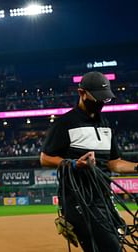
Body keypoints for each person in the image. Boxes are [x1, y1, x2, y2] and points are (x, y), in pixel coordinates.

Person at [40, 71, 138, 251]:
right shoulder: (65, 123)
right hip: (78, 200)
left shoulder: (105, 124)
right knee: (110, 248)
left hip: (103, 199)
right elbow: (45, 158)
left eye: (105, 99)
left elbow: (114, 162)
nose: (101, 102)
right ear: (81, 93)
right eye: (97, 98)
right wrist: (74, 163)